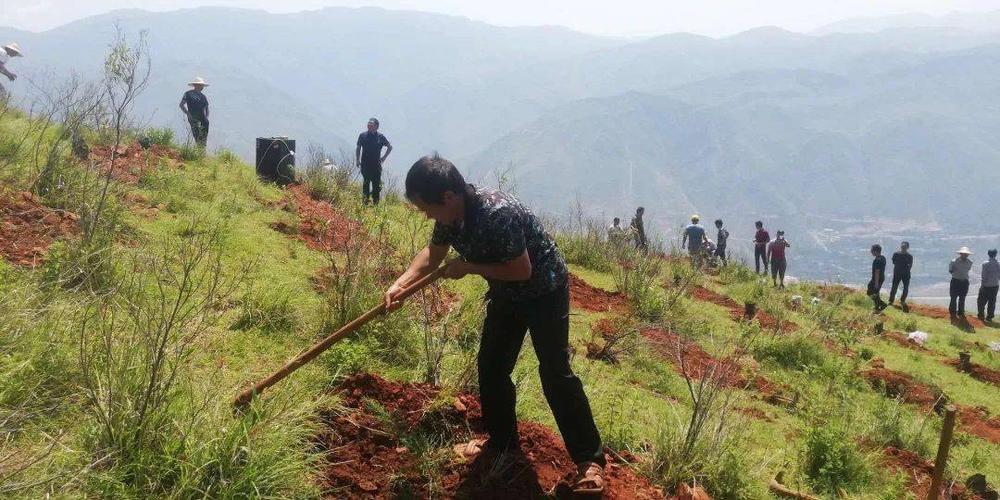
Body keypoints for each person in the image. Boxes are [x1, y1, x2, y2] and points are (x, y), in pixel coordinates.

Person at [384, 155, 606, 494]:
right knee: (491, 367)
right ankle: (502, 444)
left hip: (544, 289)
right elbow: (433, 254)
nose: (428, 216)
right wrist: (400, 284)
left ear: (448, 196)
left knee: (554, 371)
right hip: (506, 294)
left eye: (428, 208)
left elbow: (522, 270)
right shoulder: (451, 216)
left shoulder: (497, 214)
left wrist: (470, 267)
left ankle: (589, 462)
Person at [355, 118, 392, 205]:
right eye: (368, 124)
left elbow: (390, 147)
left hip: (376, 165)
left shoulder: (381, 137)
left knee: (377, 185)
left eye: (371, 125)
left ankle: (375, 203)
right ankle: (365, 202)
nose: (369, 126)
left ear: (376, 126)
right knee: (366, 183)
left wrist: (384, 157)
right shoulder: (362, 135)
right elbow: (358, 147)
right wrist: (357, 159)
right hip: (365, 164)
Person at [179, 77, 210, 148]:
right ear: (195, 85)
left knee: (204, 136)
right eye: (200, 85)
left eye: (202, 85)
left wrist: (206, 118)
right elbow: (181, 105)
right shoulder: (188, 94)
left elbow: (207, 108)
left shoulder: (203, 96)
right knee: (197, 134)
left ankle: (202, 151)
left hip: (203, 119)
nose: (202, 87)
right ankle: (199, 150)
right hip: (193, 118)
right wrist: (188, 114)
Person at [949, 247, 974, 318]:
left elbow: (951, 271)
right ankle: (953, 312)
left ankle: (961, 313)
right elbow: (950, 270)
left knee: (962, 298)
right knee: (953, 297)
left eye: (966, 254)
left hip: (964, 282)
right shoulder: (954, 261)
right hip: (955, 281)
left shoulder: (970, 262)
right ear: (960, 254)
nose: (965, 255)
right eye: (964, 254)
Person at [889, 241, 913, 311]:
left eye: (905, 246)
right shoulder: (896, 254)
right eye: (903, 246)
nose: (903, 248)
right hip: (898, 273)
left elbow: (910, 265)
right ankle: (891, 301)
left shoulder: (909, 256)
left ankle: (902, 300)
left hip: (905, 274)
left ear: (907, 247)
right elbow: (894, 262)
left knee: (905, 288)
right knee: (894, 287)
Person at [977, 249, 999, 322]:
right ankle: (989, 317)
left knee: (981, 301)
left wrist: (982, 285)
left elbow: (984, 276)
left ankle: (981, 316)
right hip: (995, 286)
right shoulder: (998, 264)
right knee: (992, 302)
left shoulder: (985, 264)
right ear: (995, 254)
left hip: (986, 286)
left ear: (988, 254)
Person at [868, 244, 888, 312]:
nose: (871, 252)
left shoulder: (877, 260)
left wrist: (876, 283)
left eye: (872, 250)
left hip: (876, 279)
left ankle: (882, 304)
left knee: (870, 293)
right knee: (876, 293)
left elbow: (877, 272)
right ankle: (877, 307)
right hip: (881, 278)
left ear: (875, 251)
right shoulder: (883, 258)